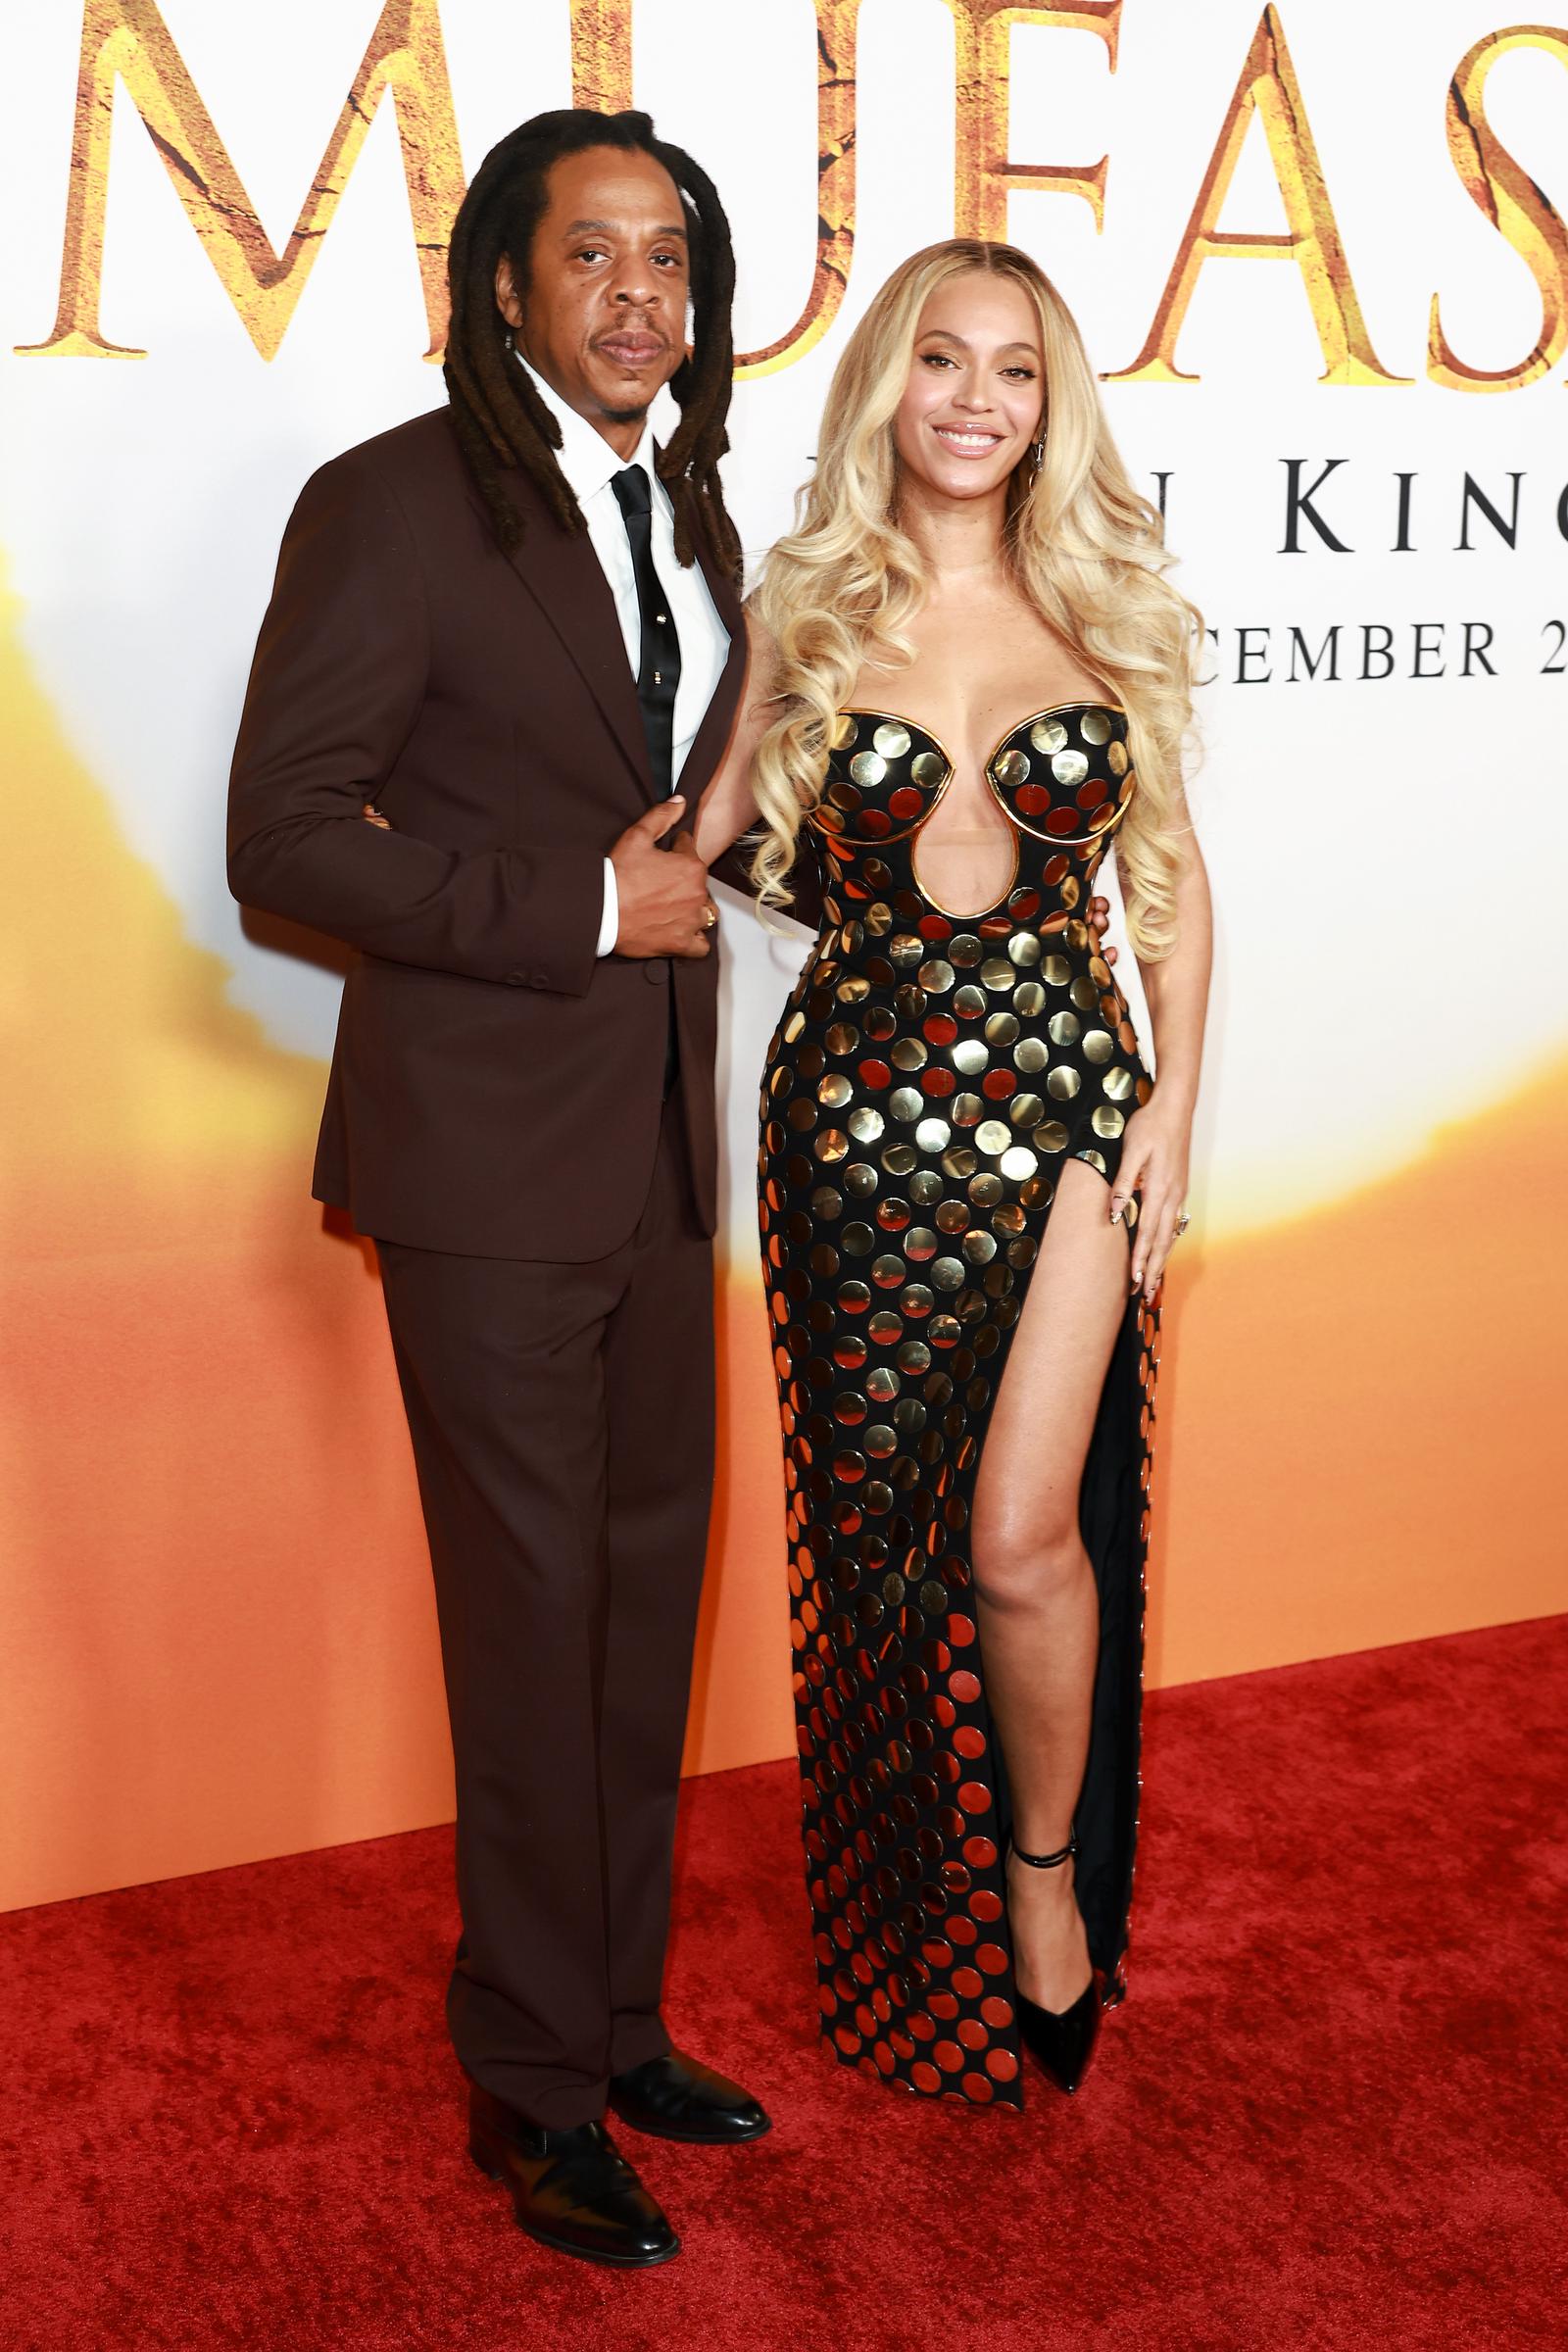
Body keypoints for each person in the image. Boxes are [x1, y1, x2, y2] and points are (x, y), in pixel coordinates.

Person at [227, 109, 771, 2274]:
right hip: (478, 1166)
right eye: (596, 259)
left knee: (644, 1614)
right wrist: (569, 910)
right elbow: (286, 838)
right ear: (505, 287)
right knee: (532, 1630)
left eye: (672, 262)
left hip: (655, 1144)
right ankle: (533, 2086)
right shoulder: (389, 504)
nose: (640, 297)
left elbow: (705, 810)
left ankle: (620, 2020)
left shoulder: (701, 500)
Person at [696, 237, 1212, 2106]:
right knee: (882, 1557)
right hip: (851, 1123)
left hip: (1076, 1110)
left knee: (1018, 1533)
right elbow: (702, 841)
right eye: (939, 359)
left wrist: (1171, 1100)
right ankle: (907, 1894)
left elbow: (1171, 876)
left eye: (1013, 368)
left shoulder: (1107, 609)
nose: (976, 398)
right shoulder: (812, 608)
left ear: (1051, 405)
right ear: (886, 394)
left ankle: (1047, 1873)